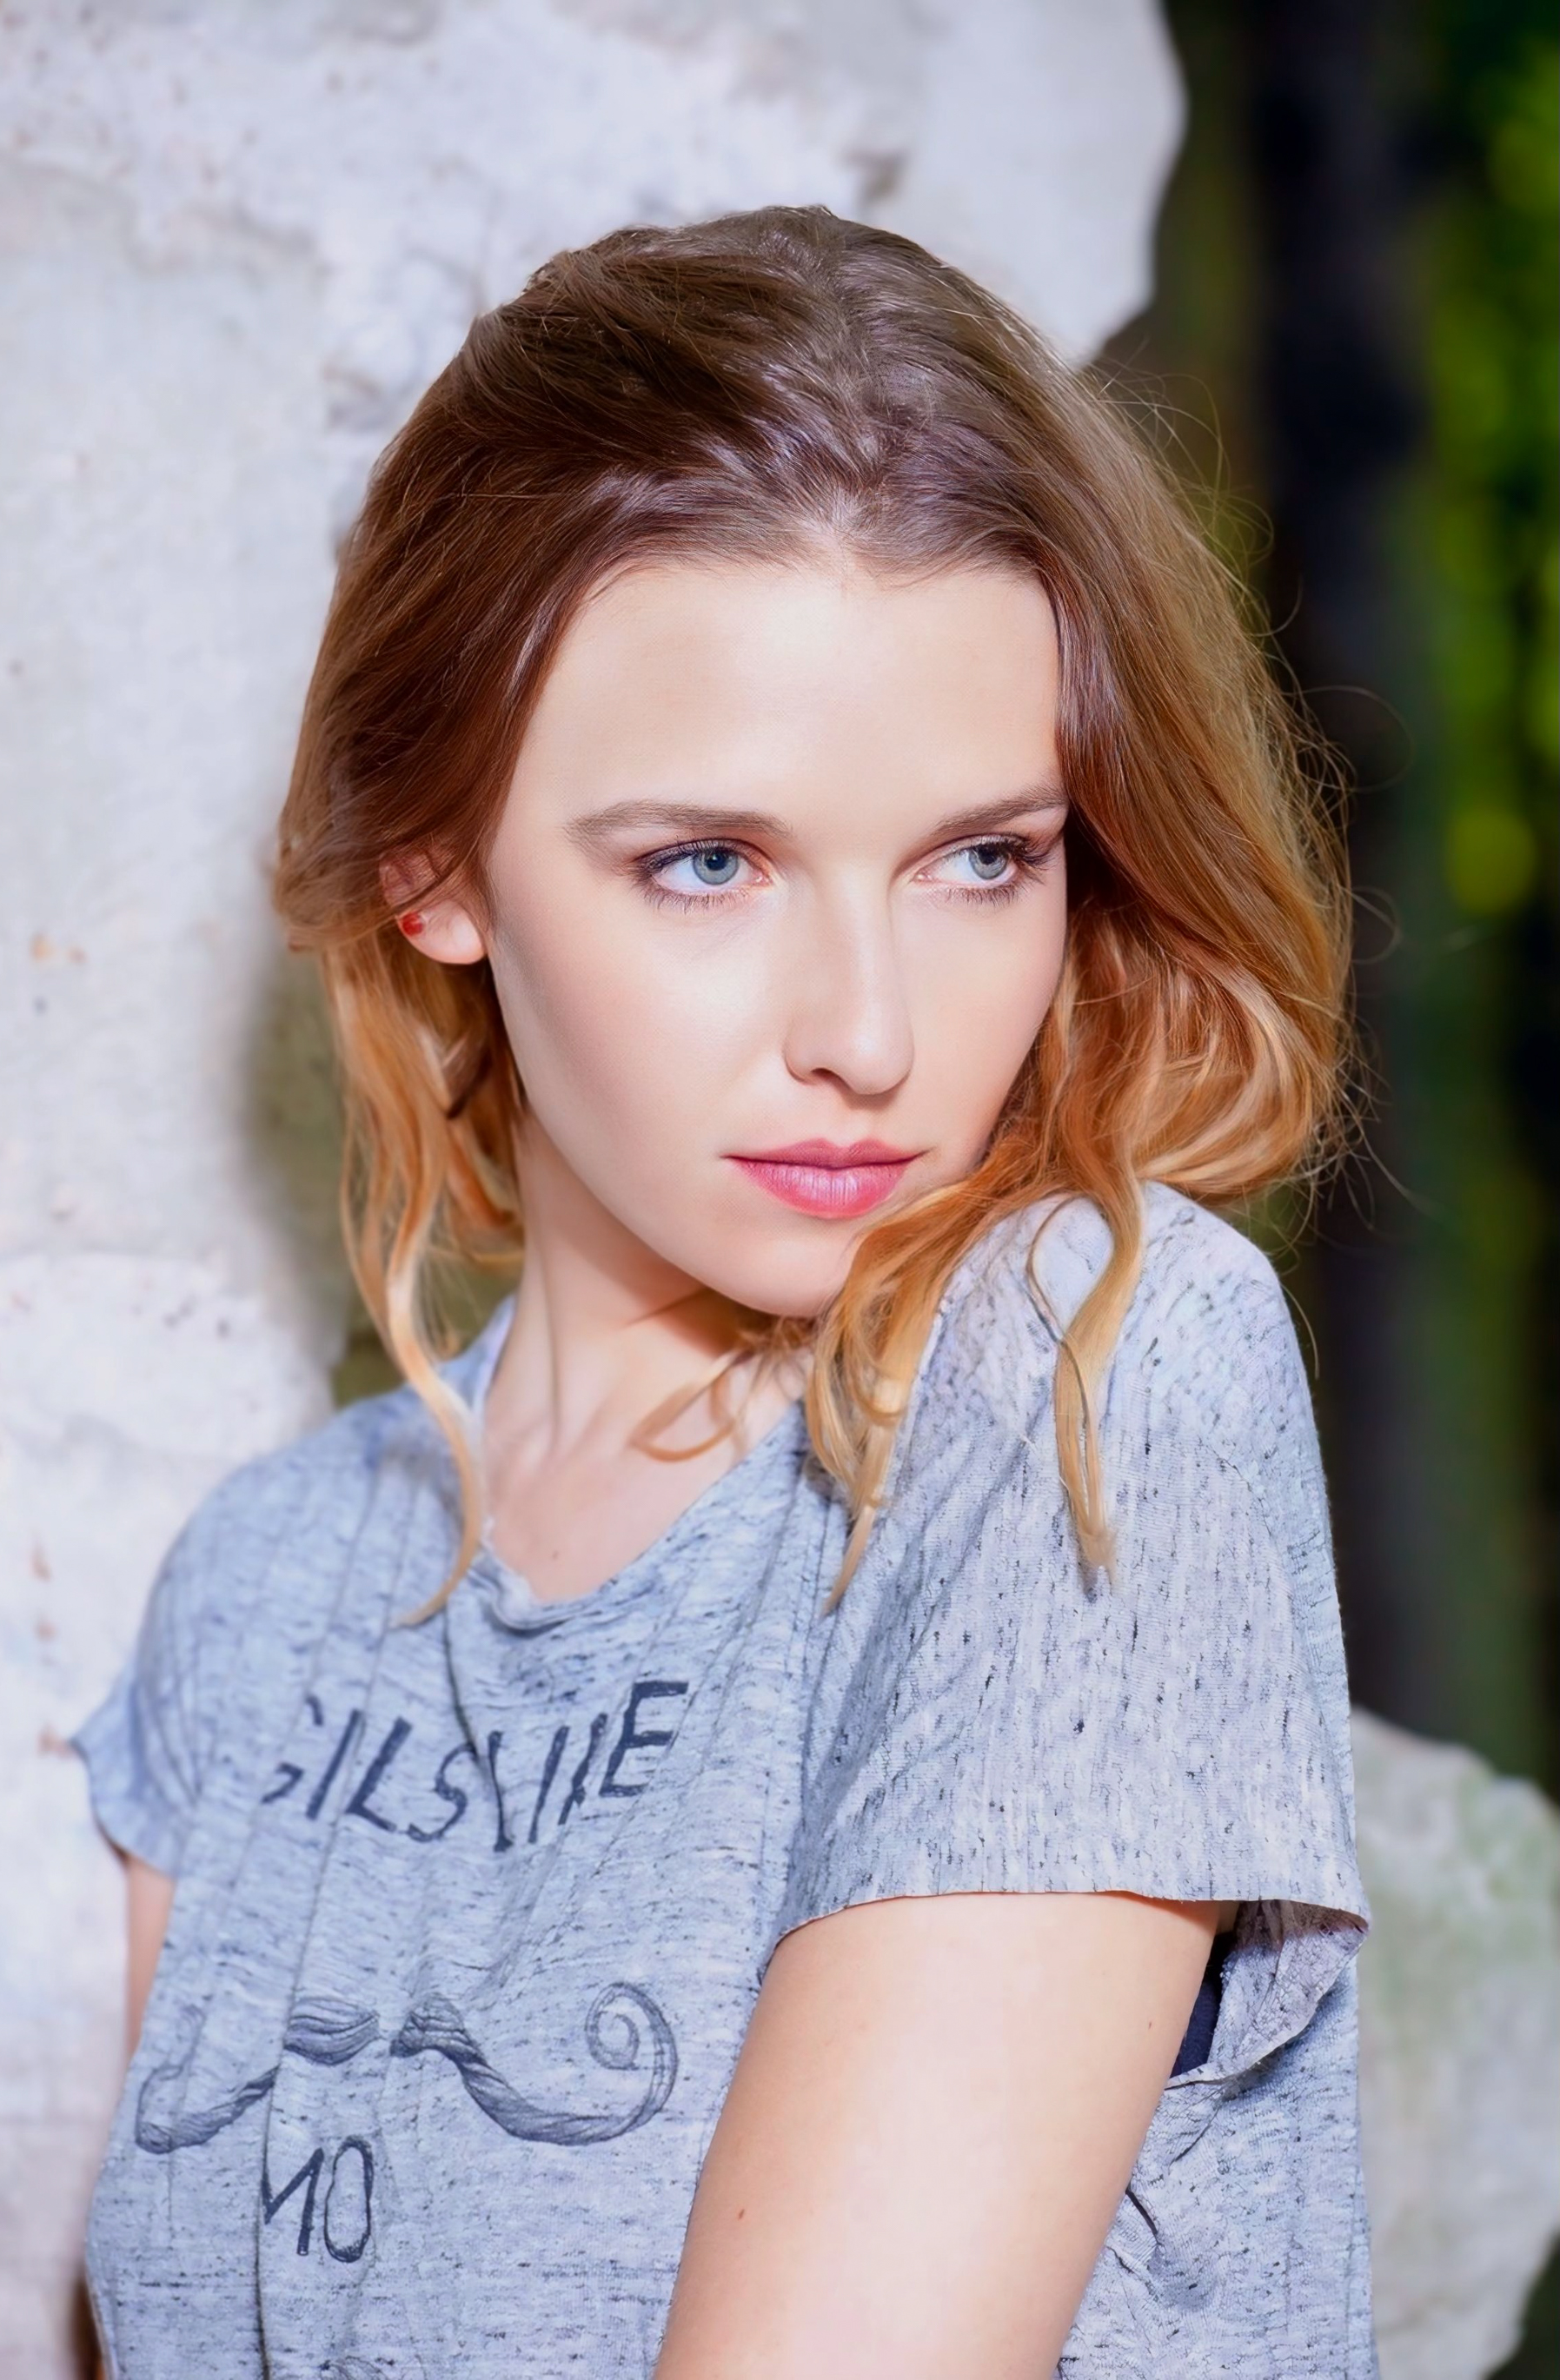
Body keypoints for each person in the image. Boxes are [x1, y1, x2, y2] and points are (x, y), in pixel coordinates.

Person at [75, 206, 1374, 2377]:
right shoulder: (265, 1591)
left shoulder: (1091, 1372)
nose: (869, 1029)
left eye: (982, 855)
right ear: (431, 854)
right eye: (709, 861)